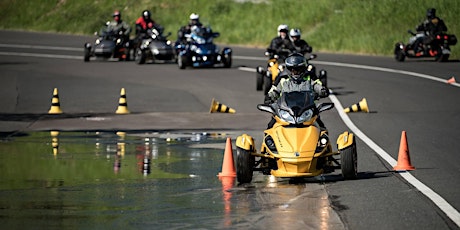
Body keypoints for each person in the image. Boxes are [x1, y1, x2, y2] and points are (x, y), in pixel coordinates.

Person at [265, 53, 329, 129]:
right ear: (288, 69)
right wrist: (269, 96)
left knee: (321, 128)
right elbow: (275, 91)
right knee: (270, 127)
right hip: (285, 111)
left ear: (303, 69)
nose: (295, 72)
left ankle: (323, 140)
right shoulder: (283, 80)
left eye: (298, 69)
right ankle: (269, 141)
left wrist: (322, 91)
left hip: (308, 111)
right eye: (292, 69)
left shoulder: (309, 79)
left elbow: (317, 86)